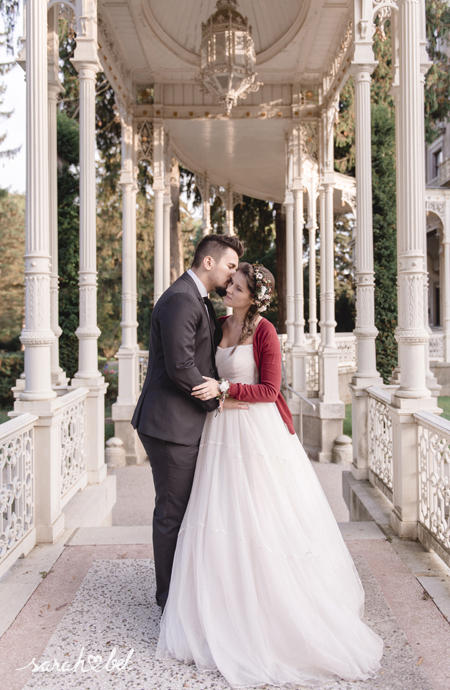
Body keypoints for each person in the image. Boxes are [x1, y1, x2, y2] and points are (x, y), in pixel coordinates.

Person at [155, 262, 383, 688]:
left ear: (253, 297)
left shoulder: (264, 331)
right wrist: (214, 394)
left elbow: (271, 390)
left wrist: (225, 390)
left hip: (256, 431)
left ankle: (272, 612)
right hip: (219, 429)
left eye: (237, 287)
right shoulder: (219, 321)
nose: (229, 289)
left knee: (261, 517)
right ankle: (219, 606)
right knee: (218, 516)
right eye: (230, 283)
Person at [131, 234, 244, 612]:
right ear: (208, 262)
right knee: (171, 514)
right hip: (169, 425)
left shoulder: (197, 299)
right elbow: (181, 366)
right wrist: (219, 400)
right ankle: (168, 605)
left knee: (183, 509)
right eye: (230, 266)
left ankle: (182, 592)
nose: (232, 275)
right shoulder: (181, 299)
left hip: (179, 421)